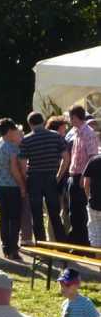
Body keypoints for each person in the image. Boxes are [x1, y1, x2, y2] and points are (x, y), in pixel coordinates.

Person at [20, 111, 68, 243]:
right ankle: (61, 244)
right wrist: (58, 176)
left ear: (30, 124)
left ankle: (41, 246)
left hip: (34, 178)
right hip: (51, 177)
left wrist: (25, 180)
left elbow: (23, 165)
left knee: (37, 215)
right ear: (43, 121)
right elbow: (66, 158)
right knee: (54, 215)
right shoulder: (56, 136)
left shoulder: (26, 140)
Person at [0, 117, 27, 260]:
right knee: (14, 217)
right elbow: (14, 169)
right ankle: (13, 248)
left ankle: (5, 246)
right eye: (15, 130)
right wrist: (22, 186)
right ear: (10, 131)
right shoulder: (12, 147)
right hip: (11, 186)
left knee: (3, 216)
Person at [65, 105, 98, 245]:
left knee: (81, 213)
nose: (69, 121)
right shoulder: (76, 132)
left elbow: (92, 157)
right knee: (74, 212)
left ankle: (83, 243)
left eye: (70, 118)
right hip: (74, 175)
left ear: (75, 117)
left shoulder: (88, 133)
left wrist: (84, 178)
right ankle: (77, 242)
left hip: (81, 177)